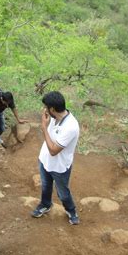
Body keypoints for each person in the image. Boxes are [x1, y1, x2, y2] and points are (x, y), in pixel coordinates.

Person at [32, 91, 80, 225]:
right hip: (44, 160)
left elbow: (53, 151)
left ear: (52, 109)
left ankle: (71, 211)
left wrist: (44, 128)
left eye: (46, 107)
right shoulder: (53, 117)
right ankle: (45, 204)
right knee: (46, 186)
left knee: (63, 193)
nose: (44, 110)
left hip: (59, 166)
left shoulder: (71, 127)